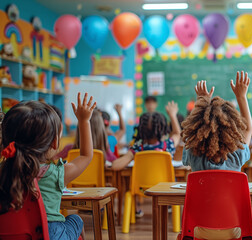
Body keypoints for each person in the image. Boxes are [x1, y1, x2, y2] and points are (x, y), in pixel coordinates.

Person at [0, 93, 96, 240]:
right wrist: (84, 121)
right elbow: (86, 156)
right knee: (76, 220)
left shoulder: (3, 171)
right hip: (51, 235)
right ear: (54, 143)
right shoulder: (56, 173)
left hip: (9, 234)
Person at [181, 71, 252, 172]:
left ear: (198, 126)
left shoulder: (192, 153)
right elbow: (248, 128)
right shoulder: (237, 154)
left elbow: (192, 129)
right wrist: (241, 97)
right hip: (229, 189)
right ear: (232, 128)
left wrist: (201, 102)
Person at [111, 101, 181, 170]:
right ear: (163, 130)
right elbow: (177, 133)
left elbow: (115, 166)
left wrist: (131, 156)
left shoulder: (137, 149)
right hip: (166, 181)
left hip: (142, 182)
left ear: (140, 130)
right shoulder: (168, 146)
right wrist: (172, 115)